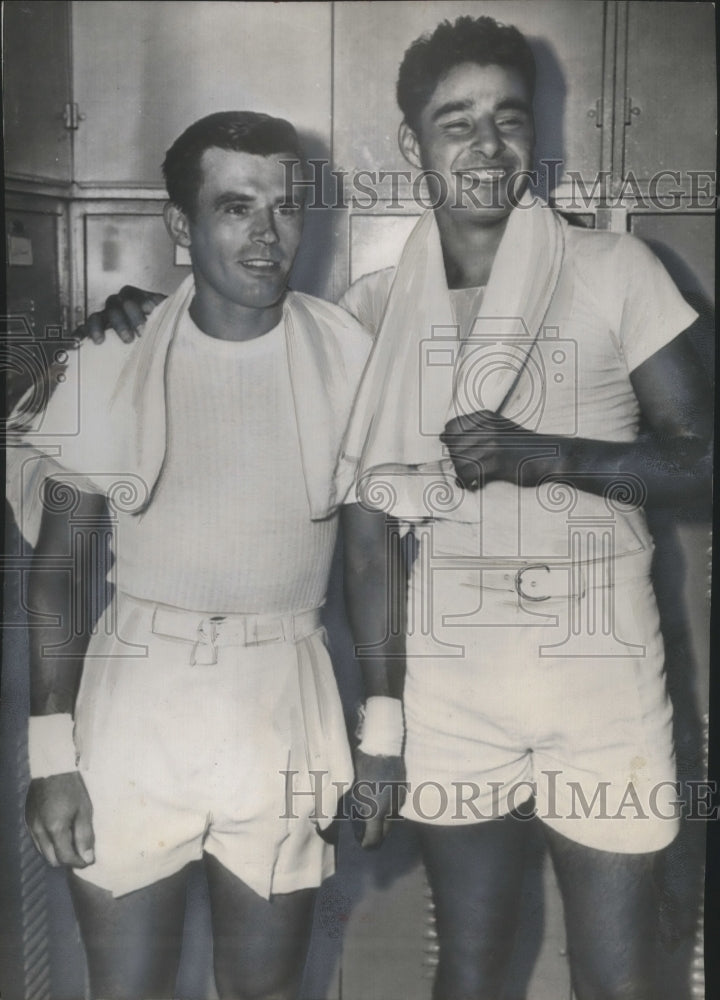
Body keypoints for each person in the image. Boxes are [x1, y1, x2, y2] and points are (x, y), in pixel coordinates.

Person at [78, 16, 712, 1000]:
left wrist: (556, 457)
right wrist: (132, 311)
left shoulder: (616, 271)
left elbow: (700, 458)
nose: (487, 145)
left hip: (602, 672)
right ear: (413, 142)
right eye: (457, 122)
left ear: (536, 133)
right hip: (453, 680)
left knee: (621, 980)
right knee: (466, 963)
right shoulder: (375, 309)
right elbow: (244, 327)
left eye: (508, 117)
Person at [11, 111, 405, 1000]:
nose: (268, 238)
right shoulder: (112, 355)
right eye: (236, 209)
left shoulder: (352, 358)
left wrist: (383, 741)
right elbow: (59, 572)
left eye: (286, 209)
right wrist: (50, 756)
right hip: (135, 701)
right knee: (127, 988)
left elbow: (376, 560)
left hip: (283, 695)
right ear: (181, 228)